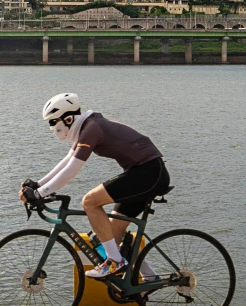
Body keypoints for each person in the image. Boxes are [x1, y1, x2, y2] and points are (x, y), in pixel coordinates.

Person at [19, 92, 170, 280]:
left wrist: (39, 194)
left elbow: (72, 170)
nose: (52, 127)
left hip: (149, 173)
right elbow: (67, 161)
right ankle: (150, 277)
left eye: (53, 122)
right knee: (112, 234)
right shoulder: (87, 127)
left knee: (90, 201)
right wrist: (38, 184)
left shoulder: (91, 128)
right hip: (144, 173)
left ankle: (115, 261)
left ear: (68, 119)